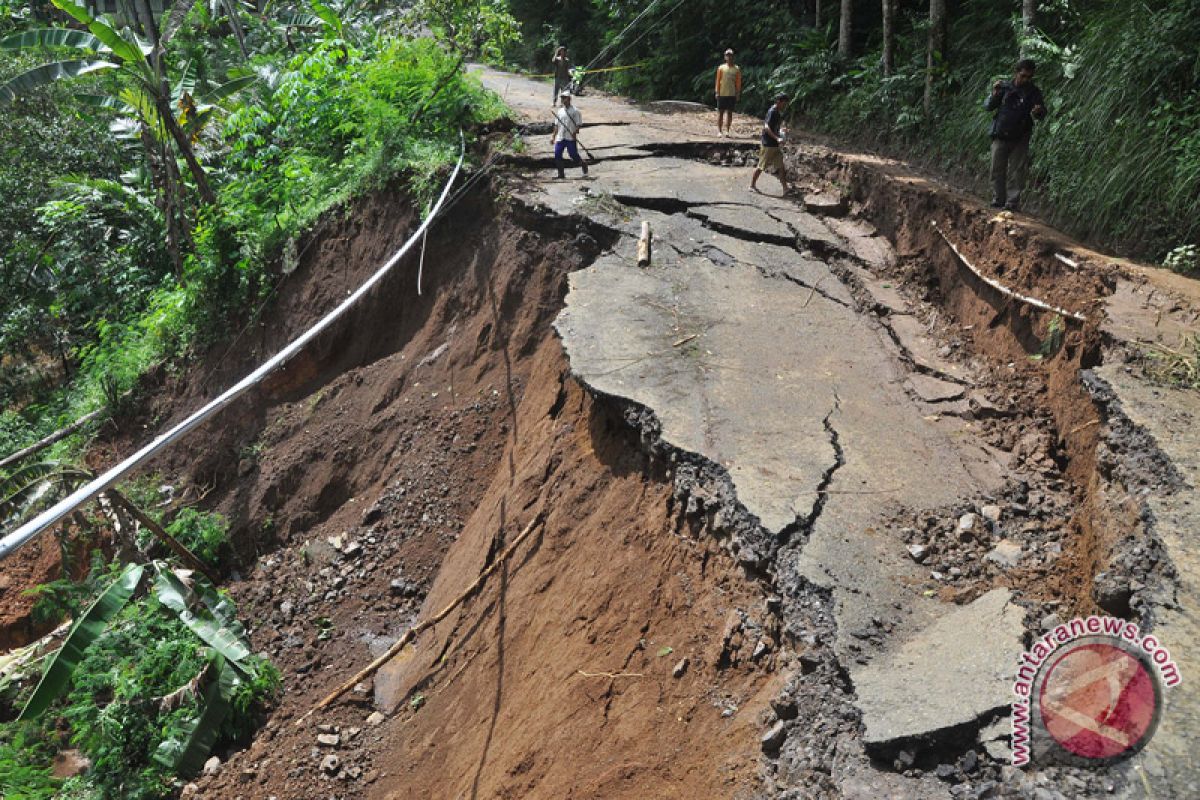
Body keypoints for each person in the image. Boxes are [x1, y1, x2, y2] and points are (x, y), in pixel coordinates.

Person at [984, 58, 1047, 211]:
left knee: (1017, 171)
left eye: (1029, 77)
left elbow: (1041, 112)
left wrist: (1038, 111)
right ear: (1016, 73)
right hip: (1001, 134)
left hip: (1021, 136)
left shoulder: (1033, 92)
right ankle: (998, 199)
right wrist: (994, 94)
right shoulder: (1004, 87)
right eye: (1023, 75)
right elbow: (988, 106)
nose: (1026, 79)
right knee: (996, 168)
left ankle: (1012, 202)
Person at [751, 94, 790, 194]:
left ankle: (785, 188)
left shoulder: (777, 112)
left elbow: (774, 127)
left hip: (775, 145)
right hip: (768, 144)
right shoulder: (772, 112)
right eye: (783, 103)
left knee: (781, 167)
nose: (784, 106)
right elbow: (766, 127)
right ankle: (752, 185)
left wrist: (781, 130)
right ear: (778, 101)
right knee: (761, 166)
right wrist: (777, 138)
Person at [551, 90, 589, 179]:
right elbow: (556, 125)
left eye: (565, 98)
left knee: (573, 155)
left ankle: (583, 164)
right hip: (560, 137)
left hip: (570, 137)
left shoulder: (575, 111)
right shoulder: (560, 111)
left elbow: (578, 124)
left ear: (569, 99)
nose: (563, 100)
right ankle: (561, 174)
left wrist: (575, 132)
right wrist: (553, 136)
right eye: (562, 98)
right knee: (557, 155)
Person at [714, 48, 742, 137]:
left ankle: (727, 131)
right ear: (725, 57)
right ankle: (719, 131)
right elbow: (718, 81)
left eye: (731, 55)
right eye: (727, 55)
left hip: (732, 94)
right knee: (720, 112)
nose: (729, 57)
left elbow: (738, 83)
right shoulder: (721, 68)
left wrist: (738, 94)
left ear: (733, 57)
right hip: (722, 93)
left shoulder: (736, 69)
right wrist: (717, 92)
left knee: (729, 113)